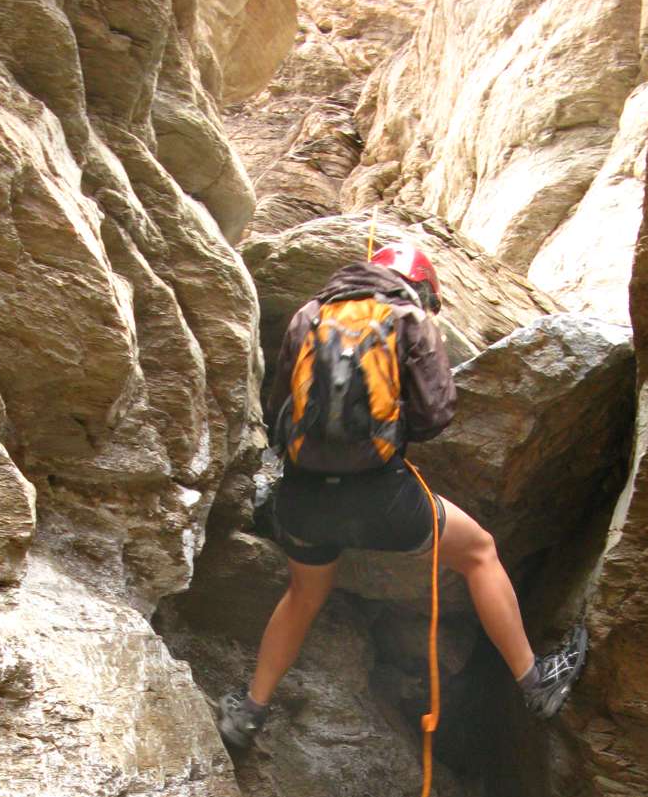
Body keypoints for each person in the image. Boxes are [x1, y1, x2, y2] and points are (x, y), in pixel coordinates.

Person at [217, 240, 587, 747]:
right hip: (382, 499)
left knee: (303, 594)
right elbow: (436, 414)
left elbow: (280, 404)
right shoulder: (410, 319)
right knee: (479, 552)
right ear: (423, 290)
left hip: (303, 500)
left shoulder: (309, 315)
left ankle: (249, 714)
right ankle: (534, 680)